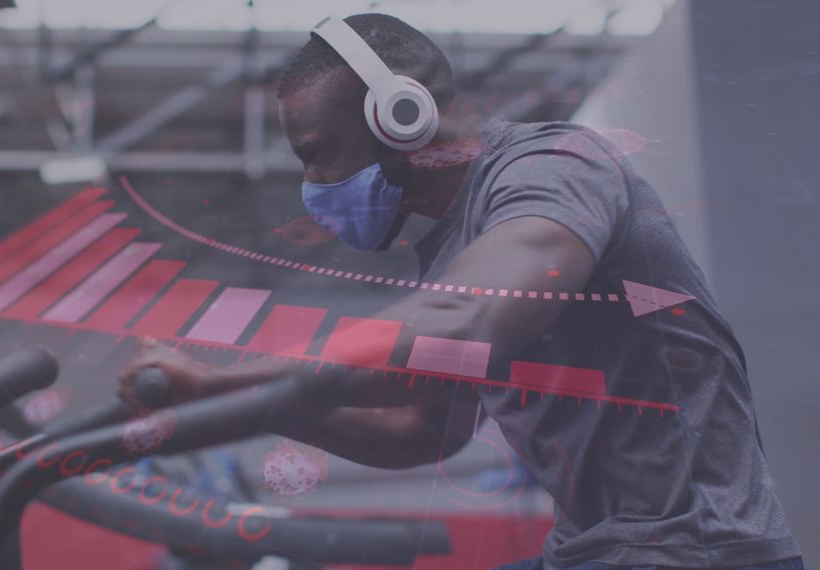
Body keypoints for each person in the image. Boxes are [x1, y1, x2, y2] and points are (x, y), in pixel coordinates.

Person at [118, 13, 803, 570]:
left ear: (400, 115)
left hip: (697, 549)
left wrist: (226, 384)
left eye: (317, 154)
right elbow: (419, 433)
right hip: (593, 551)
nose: (314, 185)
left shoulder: (556, 168)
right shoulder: (453, 247)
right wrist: (238, 407)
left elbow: (465, 319)